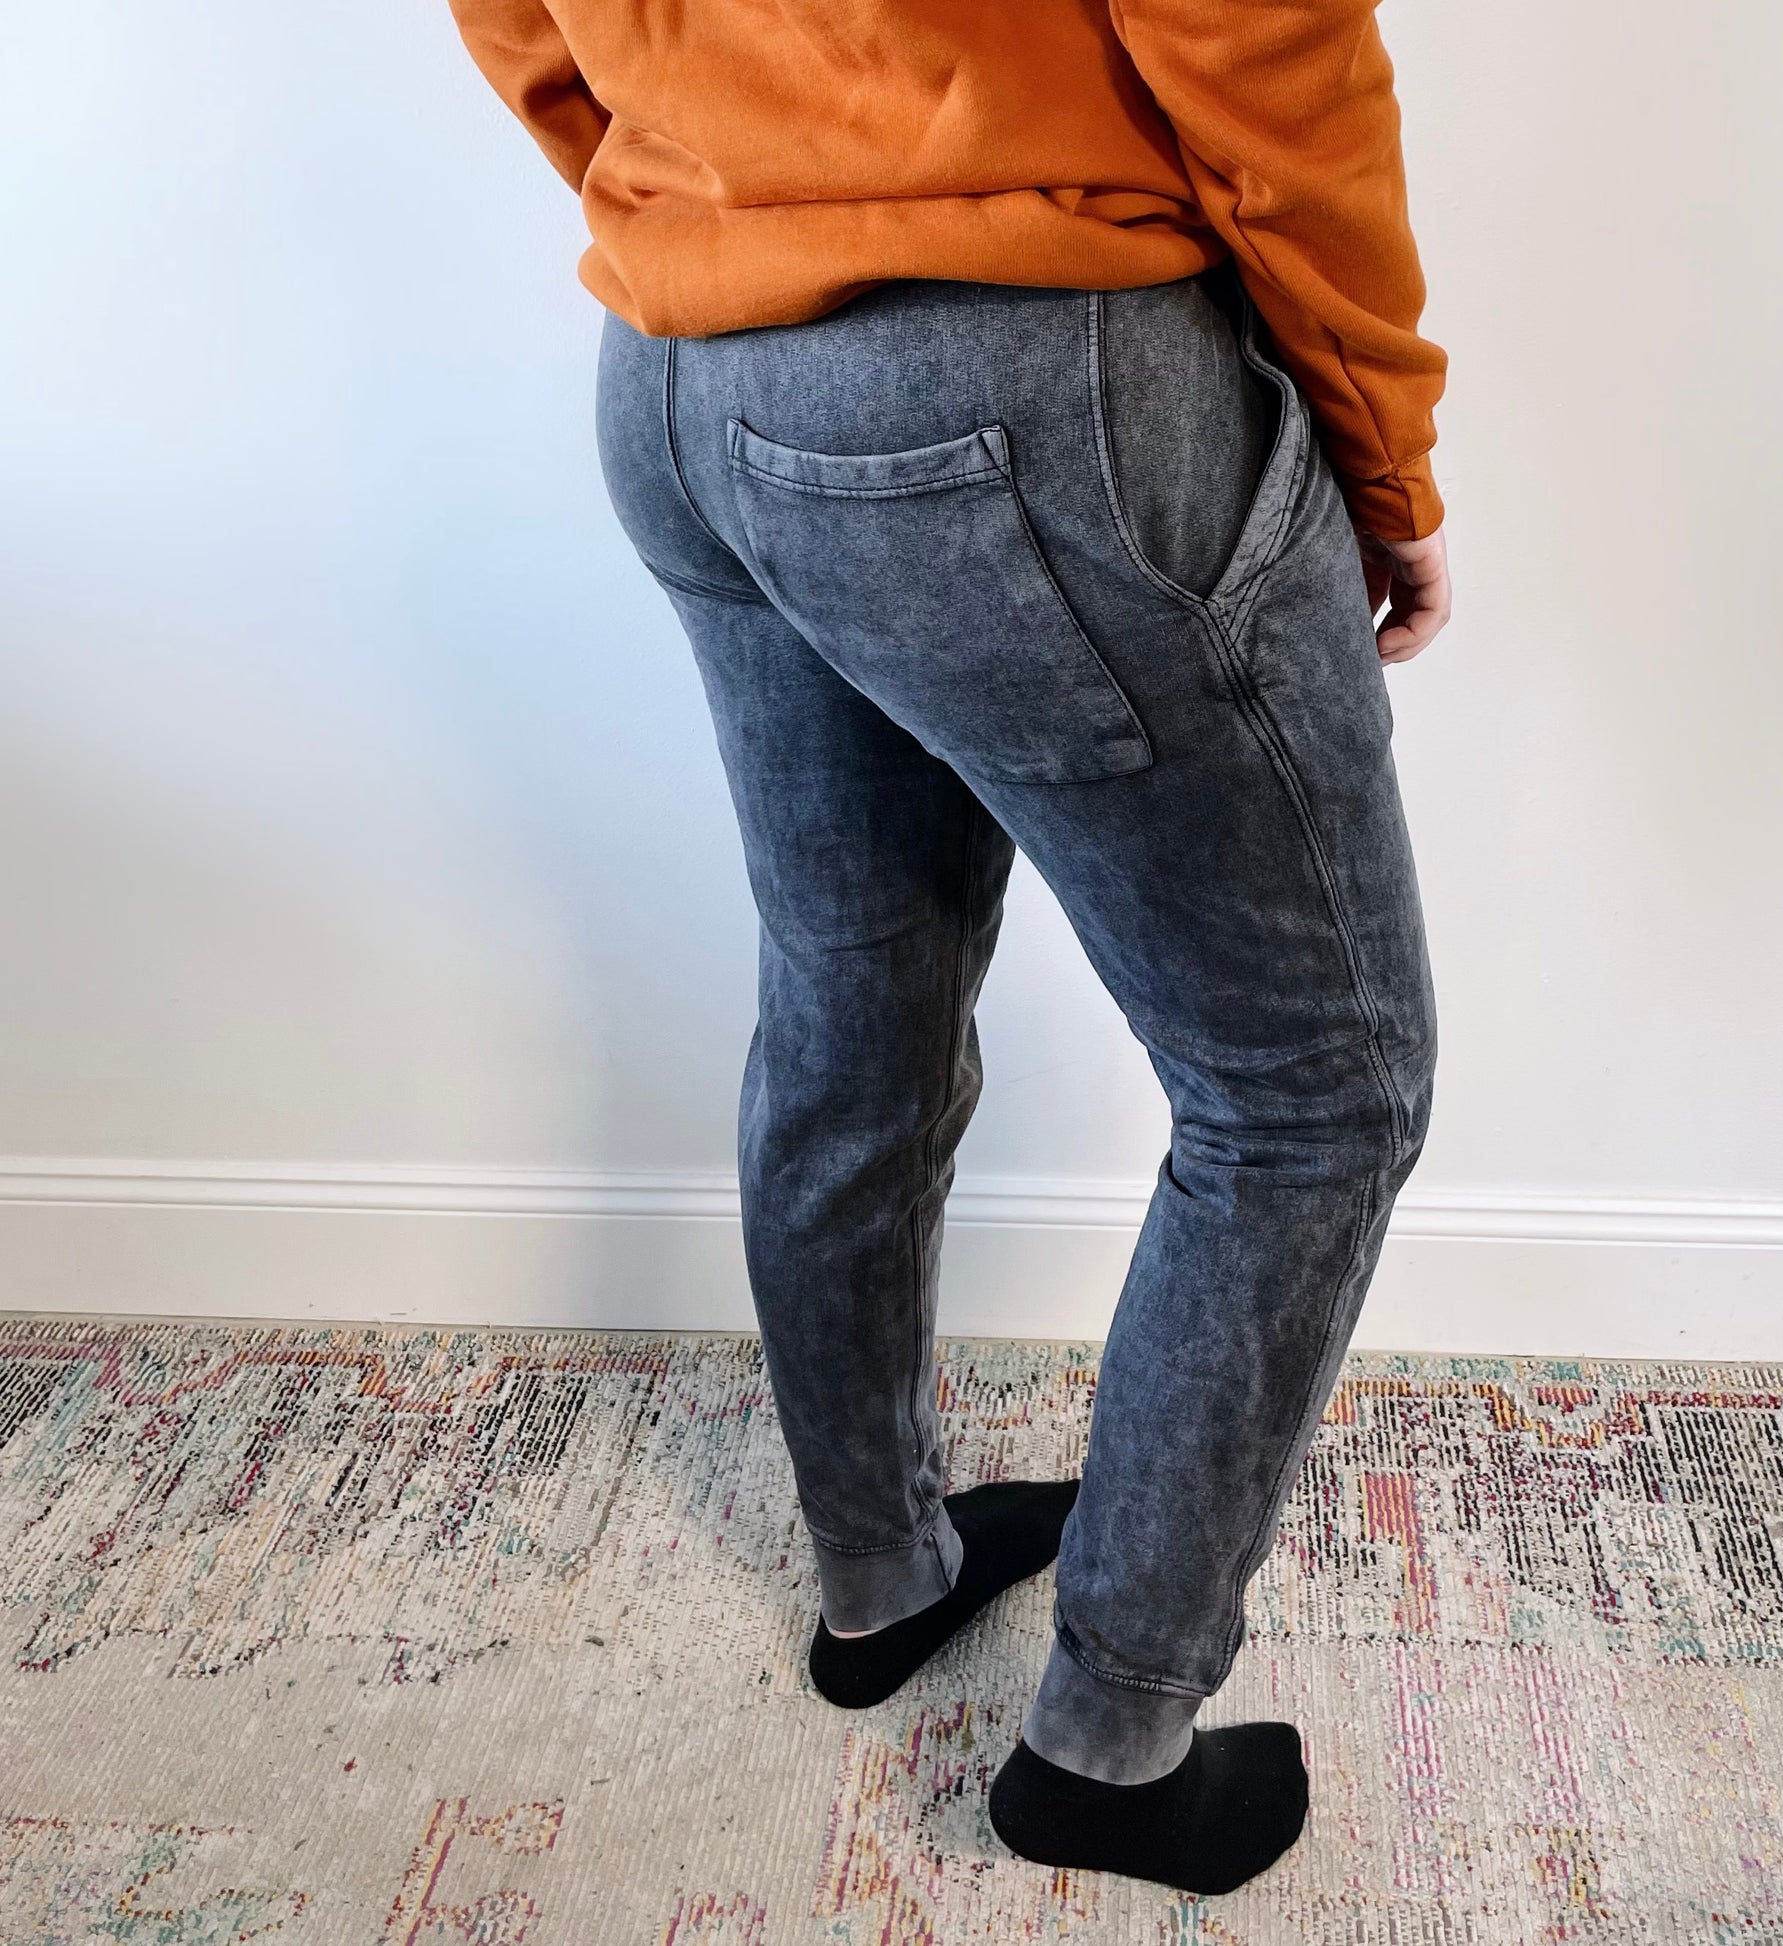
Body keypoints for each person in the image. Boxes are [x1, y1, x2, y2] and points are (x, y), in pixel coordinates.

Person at [449, 0, 1450, 1897]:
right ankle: (1109, 1749)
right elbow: (1267, 48)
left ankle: (878, 1581)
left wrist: (696, 189)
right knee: (1310, 1093)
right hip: (1009, 369)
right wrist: (1376, 452)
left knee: (851, 1001)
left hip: (683, 374)